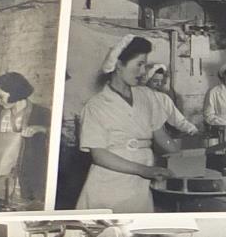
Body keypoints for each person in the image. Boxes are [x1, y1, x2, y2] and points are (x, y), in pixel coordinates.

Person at [76, 35, 200, 213]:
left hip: (141, 184)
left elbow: (160, 135)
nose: (143, 72)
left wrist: (183, 161)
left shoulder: (146, 96)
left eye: (145, 65)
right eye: (139, 64)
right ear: (119, 65)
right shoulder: (96, 106)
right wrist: (144, 170)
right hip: (108, 185)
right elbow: (99, 155)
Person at [0, 72, 52, 206]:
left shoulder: (42, 113)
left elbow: (58, 138)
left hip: (29, 180)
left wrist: (42, 129)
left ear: (15, 93)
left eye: (0, 97)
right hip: (1, 179)